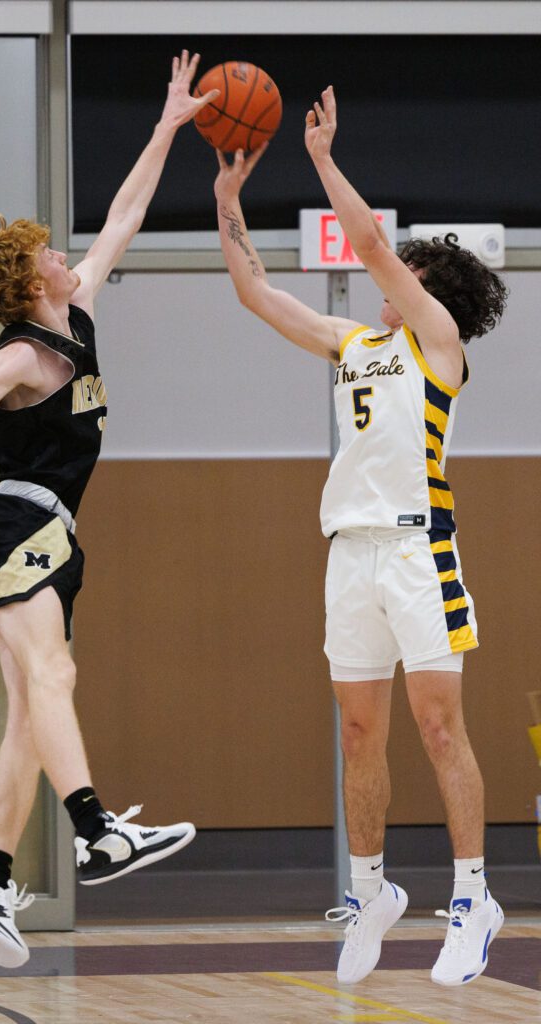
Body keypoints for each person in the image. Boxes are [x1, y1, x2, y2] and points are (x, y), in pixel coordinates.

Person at [0, 51, 219, 969]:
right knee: (55, 681)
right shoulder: (22, 355)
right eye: (49, 253)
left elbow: (126, 214)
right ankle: (97, 831)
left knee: (31, 716)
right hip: (20, 523)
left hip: (53, 533)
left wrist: (165, 125)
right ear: (33, 280)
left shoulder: (77, 317)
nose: (65, 254)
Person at [213, 86, 507, 988]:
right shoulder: (353, 344)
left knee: (438, 726)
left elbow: (372, 245)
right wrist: (227, 198)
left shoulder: (438, 342)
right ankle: (373, 891)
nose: (387, 276)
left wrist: (322, 159)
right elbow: (257, 293)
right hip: (350, 553)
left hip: (420, 550)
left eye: (403, 272)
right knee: (358, 731)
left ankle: (471, 899)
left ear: (425, 288)